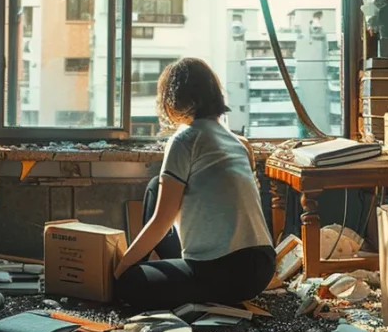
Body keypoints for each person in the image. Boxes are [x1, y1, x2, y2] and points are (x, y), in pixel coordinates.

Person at [113, 57, 276, 310]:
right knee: (157, 186)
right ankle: (158, 271)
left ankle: (141, 270)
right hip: (262, 267)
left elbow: (161, 221)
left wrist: (120, 270)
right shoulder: (237, 142)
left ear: (172, 100)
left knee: (129, 283)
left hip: (223, 271)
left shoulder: (185, 139)